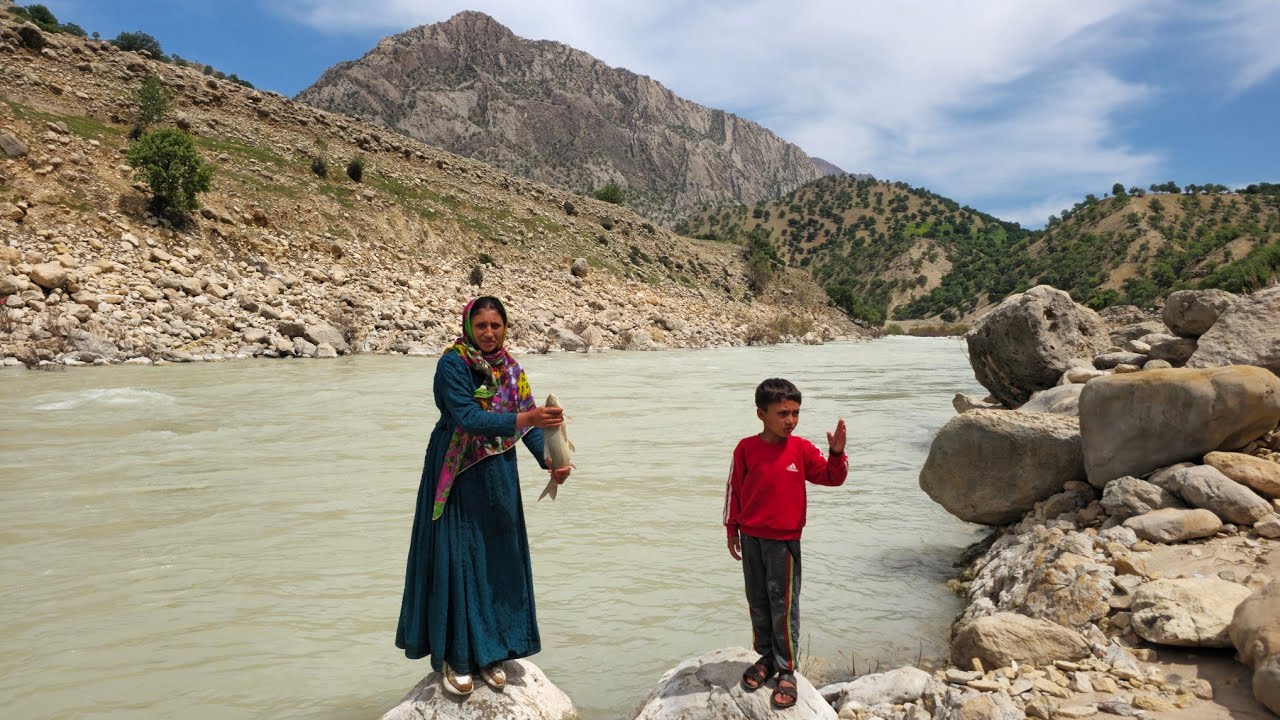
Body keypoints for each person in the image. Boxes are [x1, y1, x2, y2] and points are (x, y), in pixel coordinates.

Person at [396, 296, 572, 697]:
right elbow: (469, 419)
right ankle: (457, 657)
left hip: (498, 474)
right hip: (457, 472)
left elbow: (527, 429)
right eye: (481, 326)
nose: (489, 333)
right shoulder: (453, 365)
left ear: (504, 327)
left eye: (496, 325)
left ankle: (491, 651)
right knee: (460, 558)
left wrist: (550, 463)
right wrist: (528, 419)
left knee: (498, 557)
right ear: (468, 327)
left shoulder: (511, 369)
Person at [723, 378, 848, 709]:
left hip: (784, 542)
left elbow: (832, 478)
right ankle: (765, 657)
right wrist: (731, 529)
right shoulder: (745, 448)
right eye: (782, 413)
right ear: (761, 414)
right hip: (751, 537)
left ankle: (787, 670)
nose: (791, 420)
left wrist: (836, 453)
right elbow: (734, 490)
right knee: (758, 600)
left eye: (795, 413)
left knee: (784, 605)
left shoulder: (802, 448)